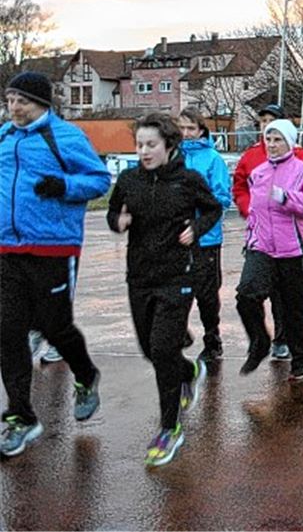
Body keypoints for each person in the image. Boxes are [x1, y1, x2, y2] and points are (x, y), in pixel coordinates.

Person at [0, 71, 110, 458]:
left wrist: (64, 187)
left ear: (42, 104)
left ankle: (85, 375)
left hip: (53, 247)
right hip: (7, 248)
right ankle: (20, 417)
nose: (14, 108)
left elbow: (99, 180)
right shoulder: (4, 137)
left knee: (53, 326)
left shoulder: (64, 137)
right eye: (10, 99)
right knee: (7, 331)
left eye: (22, 101)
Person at [106, 113, 220, 466]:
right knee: (150, 349)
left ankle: (169, 428)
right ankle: (188, 372)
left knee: (162, 348)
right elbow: (113, 213)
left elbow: (214, 208)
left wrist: (196, 230)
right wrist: (119, 222)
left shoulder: (188, 180)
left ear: (169, 145)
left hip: (177, 276)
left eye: (151, 145)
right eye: (139, 144)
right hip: (139, 276)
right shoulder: (128, 180)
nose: (143, 151)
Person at [235, 118, 303, 379]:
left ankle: (301, 358)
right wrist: (251, 234)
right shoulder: (258, 173)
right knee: (247, 295)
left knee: (295, 307)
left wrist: (286, 198)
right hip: (261, 248)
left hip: (293, 250)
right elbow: (254, 209)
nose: (271, 145)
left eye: (277, 140)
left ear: (290, 143)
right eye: (268, 139)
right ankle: (259, 341)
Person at [177, 108, 232, 363]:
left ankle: (212, 339)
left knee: (207, 294)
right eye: (182, 128)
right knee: (175, 289)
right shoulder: (172, 156)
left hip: (206, 238)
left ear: (201, 130)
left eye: (191, 128)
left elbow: (222, 198)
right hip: (177, 237)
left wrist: (197, 199)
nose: (186, 134)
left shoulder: (213, 159)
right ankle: (178, 333)